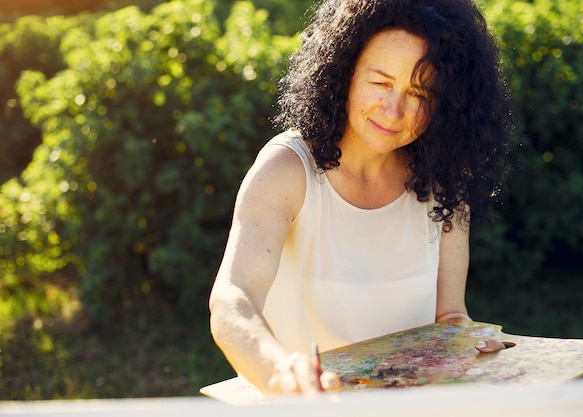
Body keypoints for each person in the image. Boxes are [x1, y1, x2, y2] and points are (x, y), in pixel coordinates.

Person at [209, 0, 511, 396]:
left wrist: (466, 339)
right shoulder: (287, 169)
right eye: (381, 82)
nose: (394, 109)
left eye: (419, 92)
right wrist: (279, 369)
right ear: (343, 72)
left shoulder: (446, 183)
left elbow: (449, 315)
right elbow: (233, 298)